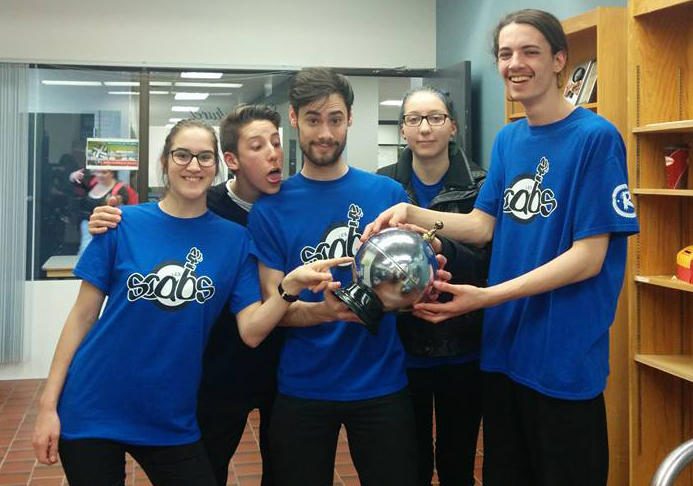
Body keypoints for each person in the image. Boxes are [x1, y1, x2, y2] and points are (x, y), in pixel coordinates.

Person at [364, 9, 639, 486]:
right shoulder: (510, 138)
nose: (515, 63)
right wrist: (411, 215)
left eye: (530, 51)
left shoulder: (596, 138)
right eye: (505, 53)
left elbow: (588, 257)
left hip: (562, 357)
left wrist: (487, 296)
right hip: (504, 352)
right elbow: (481, 226)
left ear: (558, 60)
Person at [32, 119, 347, 486]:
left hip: (171, 416)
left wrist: (288, 288)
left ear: (217, 167)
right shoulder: (122, 224)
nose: (193, 166)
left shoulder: (235, 241)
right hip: (93, 405)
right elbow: (82, 317)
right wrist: (47, 406)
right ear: (164, 162)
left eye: (203, 157)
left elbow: (252, 331)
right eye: (182, 155)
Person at [79, 104, 289, 486]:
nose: (273, 153)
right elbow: (86, 312)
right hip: (212, 375)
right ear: (232, 161)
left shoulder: (290, 206)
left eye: (276, 143)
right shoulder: (200, 208)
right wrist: (108, 220)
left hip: (284, 368)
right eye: (257, 146)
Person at [247, 67, 421, 486]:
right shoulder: (269, 209)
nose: (325, 132)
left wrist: (410, 290)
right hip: (303, 389)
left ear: (350, 120)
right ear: (293, 118)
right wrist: (325, 314)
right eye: (313, 119)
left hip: (382, 385)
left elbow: (409, 284)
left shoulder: (387, 196)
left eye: (335, 119)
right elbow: (272, 309)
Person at [376, 85, 488, 486]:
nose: (425, 128)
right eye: (413, 119)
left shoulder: (482, 185)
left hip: (464, 346)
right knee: (410, 465)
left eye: (435, 118)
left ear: (452, 127)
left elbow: (493, 267)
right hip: (400, 351)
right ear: (403, 130)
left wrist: (442, 250)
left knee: (458, 465)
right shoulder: (382, 188)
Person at [69, 168, 131, 255]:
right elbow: (76, 183)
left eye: (104, 172)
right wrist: (73, 176)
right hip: (87, 224)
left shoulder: (120, 189)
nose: (99, 175)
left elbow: (122, 208)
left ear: (112, 173)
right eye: (97, 172)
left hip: (108, 226)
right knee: (85, 249)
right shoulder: (91, 183)